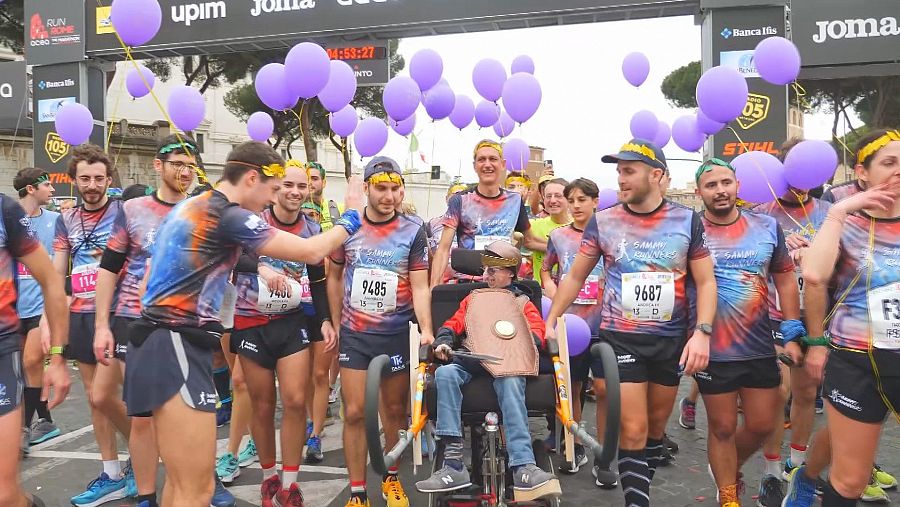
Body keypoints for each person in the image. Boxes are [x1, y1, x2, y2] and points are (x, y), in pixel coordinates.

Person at [122, 141, 364, 505]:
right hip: (175, 344)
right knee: (197, 489)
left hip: (158, 341)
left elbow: (145, 281)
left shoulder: (191, 205)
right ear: (252, 178)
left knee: (178, 483)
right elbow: (312, 251)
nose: (272, 200)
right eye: (271, 189)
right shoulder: (229, 214)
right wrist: (351, 216)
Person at [544, 138, 716, 506]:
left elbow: (705, 280)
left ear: (656, 174)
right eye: (618, 171)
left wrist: (702, 332)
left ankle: (640, 490)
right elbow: (574, 277)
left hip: (670, 339)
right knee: (634, 429)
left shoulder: (687, 219)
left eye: (628, 170)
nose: (620, 179)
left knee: (655, 431)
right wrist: (553, 319)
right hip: (621, 338)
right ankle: (637, 502)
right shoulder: (604, 221)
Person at [783, 128, 900, 507]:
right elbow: (814, 277)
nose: (899, 170)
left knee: (841, 442)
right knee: (849, 480)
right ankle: (808, 477)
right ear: (862, 172)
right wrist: (837, 212)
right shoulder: (843, 220)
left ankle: (810, 472)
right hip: (856, 360)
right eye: (889, 162)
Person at [92, 136, 200, 507]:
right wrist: (102, 325)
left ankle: (193, 481)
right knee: (142, 416)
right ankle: (146, 495)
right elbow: (109, 268)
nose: (184, 171)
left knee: (182, 415)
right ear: (158, 166)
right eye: (176, 163)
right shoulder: (133, 209)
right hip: (135, 322)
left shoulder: (203, 210)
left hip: (185, 325)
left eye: (190, 164)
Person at [692, 158, 802, 507]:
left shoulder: (766, 226)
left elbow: (785, 277)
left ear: (738, 186)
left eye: (726, 182)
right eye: (711, 185)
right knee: (722, 427)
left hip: (760, 344)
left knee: (762, 423)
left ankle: (723, 465)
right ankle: (728, 496)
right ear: (699, 192)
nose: (720, 190)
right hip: (715, 348)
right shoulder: (689, 230)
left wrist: (791, 328)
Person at [327, 157, 434, 507]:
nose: (389, 196)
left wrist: (427, 332)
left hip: (396, 333)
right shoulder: (349, 227)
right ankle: (357, 491)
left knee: (392, 411)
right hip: (356, 334)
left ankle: (391, 479)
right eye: (382, 189)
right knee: (355, 412)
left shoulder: (413, 230)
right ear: (368, 189)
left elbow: (420, 287)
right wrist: (336, 323)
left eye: (395, 189)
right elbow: (334, 276)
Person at [415, 240, 559, 498]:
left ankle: (523, 465)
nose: (486, 276)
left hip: (508, 362)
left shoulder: (522, 301)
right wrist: (444, 341)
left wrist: (530, 342)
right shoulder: (473, 298)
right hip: (473, 357)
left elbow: (536, 330)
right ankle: (453, 463)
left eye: (493, 271)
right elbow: (453, 323)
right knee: (445, 373)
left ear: (510, 273)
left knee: (511, 380)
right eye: (485, 270)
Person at [228, 161, 331, 506]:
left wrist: (325, 322)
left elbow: (317, 279)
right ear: (276, 187)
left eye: (302, 187)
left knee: (295, 400)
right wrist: (259, 264)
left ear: (310, 190)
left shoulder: (313, 227)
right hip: (250, 322)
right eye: (288, 185)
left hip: (290, 322)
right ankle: (269, 477)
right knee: (261, 404)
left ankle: (290, 484)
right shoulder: (253, 219)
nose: (295, 192)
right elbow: (229, 258)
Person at [52, 144, 134, 506]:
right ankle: (113, 473)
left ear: (109, 179)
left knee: (127, 396)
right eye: (85, 178)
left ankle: (143, 454)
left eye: (99, 178)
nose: (92, 185)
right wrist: (50, 317)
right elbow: (57, 272)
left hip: (120, 314)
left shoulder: (124, 214)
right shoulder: (65, 219)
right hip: (82, 316)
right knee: (96, 400)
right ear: (74, 180)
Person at [752, 139, 833, 500]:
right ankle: (770, 471)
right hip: (771, 314)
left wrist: (816, 256)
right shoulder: (761, 213)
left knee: (805, 393)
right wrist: (783, 254)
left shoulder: (831, 212)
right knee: (777, 392)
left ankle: (797, 468)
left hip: (817, 315)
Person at [0, 192, 70, 507]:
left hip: (2, 351)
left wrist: (57, 355)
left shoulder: (5, 211)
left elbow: (51, 280)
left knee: (3, 494)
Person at [541, 178, 607, 479]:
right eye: (573, 200)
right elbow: (547, 269)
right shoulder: (559, 235)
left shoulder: (609, 233)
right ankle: (575, 444)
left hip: (604, 323)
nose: (577, 205)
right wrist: (553, 293)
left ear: (595, 201)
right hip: (572, 326)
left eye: (583, 199)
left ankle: (604, 452)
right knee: (573, 389)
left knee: (605, 390)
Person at [431, 140, 547, 287]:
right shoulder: (460, 200)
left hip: (503, 283)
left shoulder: (515, 200)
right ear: (475, 166)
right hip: (469, 282)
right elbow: (443, 249)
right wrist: (433, 289)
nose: (487, 164)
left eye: (493, 159)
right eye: (481, 160)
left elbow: (530, 241)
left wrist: (560, 246)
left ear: (503, 164)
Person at [13, 168, 61, 451]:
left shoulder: (55, 220)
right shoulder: (7, 218)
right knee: (19, 369)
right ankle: (44, 419)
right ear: (31, 189)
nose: (52, 190)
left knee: (32, 361)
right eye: (47, 185)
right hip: (11, 307)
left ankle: (21, 430)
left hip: (41, 308)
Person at [530, 178, 570, 283]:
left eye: (558, 196)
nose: (552, 200)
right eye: (548, 196)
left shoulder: (581, 227)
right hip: (542, 294)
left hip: (572, 293)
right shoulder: (534, 226)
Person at [306, 161, 343, 231]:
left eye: (314, 178)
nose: (309, 183)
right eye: (306, 179)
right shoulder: (295, 211)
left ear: (324, 183)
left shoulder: (340, 209)